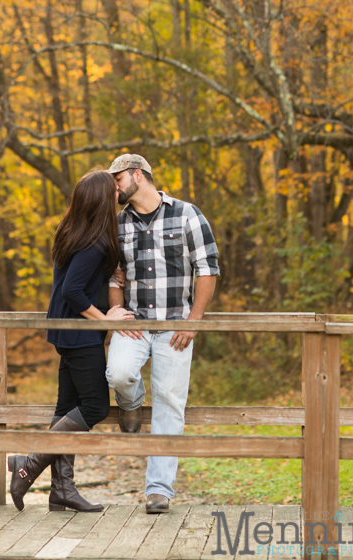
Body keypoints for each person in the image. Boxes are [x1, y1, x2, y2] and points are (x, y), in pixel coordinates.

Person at [8, 168, 134, 512]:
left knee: (66, 409)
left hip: (66, 332)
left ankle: (61, 490)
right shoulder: (96, 241)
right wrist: (104, 319)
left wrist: (110, 273)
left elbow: (79, 281)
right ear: (101, 199)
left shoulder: (77, 233)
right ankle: (28, 464)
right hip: (79, 335)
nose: (117, 195)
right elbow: (73, 291)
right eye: (113, 191)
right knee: (95, 406)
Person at [105, 154, 219, 515]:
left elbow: (207, 269)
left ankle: (159, 490)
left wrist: (193, 321)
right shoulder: (118, 223)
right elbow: (114, 275)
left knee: (170, 403)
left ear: (139, 175)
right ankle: (131, 403)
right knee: (118, 374)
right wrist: (116, 310)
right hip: (134, 324)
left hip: (175, 327)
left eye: (118, 178)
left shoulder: (187, 214)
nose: (115, 186)